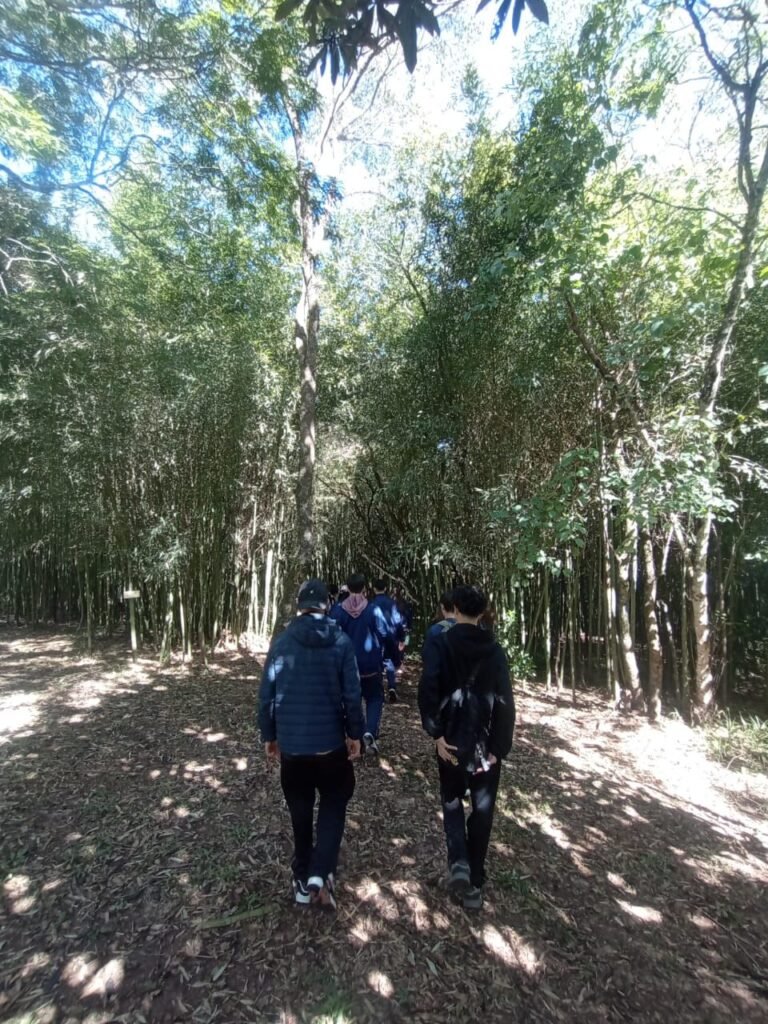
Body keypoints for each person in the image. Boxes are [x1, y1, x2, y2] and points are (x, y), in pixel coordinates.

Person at [258, 579, 363, 910]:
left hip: (293, 747)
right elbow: (352, 694)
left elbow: (267, 695)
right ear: (327, 605)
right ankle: (321, 872)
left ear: (299, 606)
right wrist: (355, 734)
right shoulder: (341, 642)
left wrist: (269, 736)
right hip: (330, 746)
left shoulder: (282, 642)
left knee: (300, 809)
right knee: (335, 799)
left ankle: (304, 880)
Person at [418, 584, 515, 911]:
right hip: (484, 742)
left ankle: (459, 860)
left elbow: (429, 686)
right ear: (482, 612)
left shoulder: (441, 643)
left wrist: (435, 732)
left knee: (451, 800)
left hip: (452, 739)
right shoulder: (494, 649)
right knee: (482, 810)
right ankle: (473, 879)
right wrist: (498, 746)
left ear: (455, 609)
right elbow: (505, 701)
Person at [330, 573, 390, 755]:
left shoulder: (338, 611)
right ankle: (369, 731)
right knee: (374, 698)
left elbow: (331, 636)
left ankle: (354, 735)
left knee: (350, 700)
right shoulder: (372, 610)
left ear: (347, 588)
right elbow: (384, 633)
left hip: (347, 665)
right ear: (364, 588)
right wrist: (389, 656)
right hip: (370, 664)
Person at [370, 578, 406, 703]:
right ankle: (391, 687)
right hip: (391, 636)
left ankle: (380, 691)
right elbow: (398, 621)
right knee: (389, 662)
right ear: (385, 589)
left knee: (378, 663)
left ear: (374, 589)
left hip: (376, 637)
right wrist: (401, 637)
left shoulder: (371, 604)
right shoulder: (392, 603)